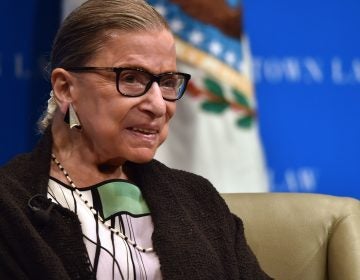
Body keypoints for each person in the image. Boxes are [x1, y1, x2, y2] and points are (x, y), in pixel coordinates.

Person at [0, 0, 272, 279]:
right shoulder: (10, 208)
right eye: (131, 78)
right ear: (66, 88)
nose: (157, 105)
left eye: (167, 82)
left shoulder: (199, 201)